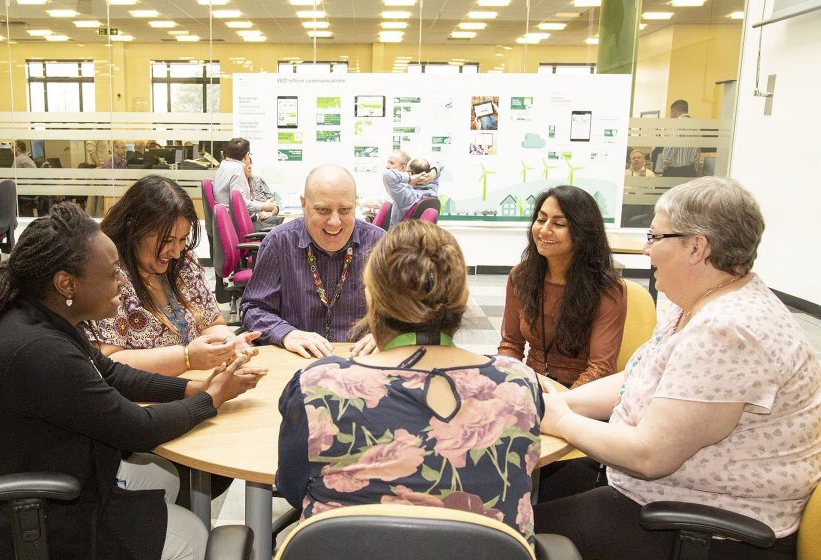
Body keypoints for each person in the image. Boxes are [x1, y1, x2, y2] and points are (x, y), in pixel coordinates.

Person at [0, 202, 267, 560]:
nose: (121, 282)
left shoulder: (39, 314)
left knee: (163, 480)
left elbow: (110, 374)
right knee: (187, 541)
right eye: (110, 274)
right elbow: (137, 430)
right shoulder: (36, 350)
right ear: (66, 282)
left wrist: (193, 390)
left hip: (5, 479)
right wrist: (214, 398)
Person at [534, 177, 821, 560]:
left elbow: (651, 457)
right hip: (678, 499)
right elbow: (638, 378)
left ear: (696, 247)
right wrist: (558, 401)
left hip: (720, 537)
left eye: (655, 236)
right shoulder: (704, 301)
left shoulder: (728, 331)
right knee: (542, 490)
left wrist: (560, 419)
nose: (646, 250)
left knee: (516, 536)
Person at [276, 220, 543, 541]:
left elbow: (292, 488)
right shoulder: (518, 383)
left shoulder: (316, 386)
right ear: (462, 298)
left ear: (372, 300)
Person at [86, 175, 258, 376]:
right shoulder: (109, 276)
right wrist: (187, 358)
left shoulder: (184, 263)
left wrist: (228, 344)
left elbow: (212, 324)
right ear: (134, 229)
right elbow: (109, 360)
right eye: (167, 240)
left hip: (197, 386)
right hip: (143, 399)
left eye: (183, 239)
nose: (176, 252)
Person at [240, 164, 384, 358]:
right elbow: (253, 308)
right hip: (298, 362)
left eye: (345, 210)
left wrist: (388, 333)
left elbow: (407, 312)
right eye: (323, 210)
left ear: (355, 204)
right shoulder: (279, 243)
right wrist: (286, 333)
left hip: (362, 361)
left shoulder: (380, 245)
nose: (335, 222)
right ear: (304, 204)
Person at [499, 185, 626, 388]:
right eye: (541, 220)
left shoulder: (607, 288)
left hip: (582, 397)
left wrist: (561, 405)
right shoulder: (521, 276)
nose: (544, 229)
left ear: (582, 233)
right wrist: (508, 385)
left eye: (559, 223)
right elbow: (511, 344)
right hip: (534, 388)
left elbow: (600, 368)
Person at [213, 137, 279, 223]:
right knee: (280, 225)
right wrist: (264, 206)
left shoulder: (223, 166)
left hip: (228, 221)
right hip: (240, 223)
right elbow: (241, 203)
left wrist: (264, 205)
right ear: (247, 155)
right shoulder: (237, 169)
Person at [382, 150, 443, 227]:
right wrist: (432, 174)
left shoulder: (407, 195)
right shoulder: (433, 188)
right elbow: (439, 161)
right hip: (420, 236)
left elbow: (387, 175)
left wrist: (410, 178)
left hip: (397, 237)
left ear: (410, 174)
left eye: (406, 172)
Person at [660, 99, 700, 177]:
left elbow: (673, 145)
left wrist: (665, 163)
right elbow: (697, 151)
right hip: (690, 170)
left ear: (674, 112)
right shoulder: (696, 127)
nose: (670, 116)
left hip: (675, 171)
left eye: (670, 113)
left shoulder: (676, 124)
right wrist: (694, 169)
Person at [244, 153, 284, 230]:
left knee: (281, 220)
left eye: (250, 164)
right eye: (246, 165)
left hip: (267, 215)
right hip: (254, 219)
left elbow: (274, 204)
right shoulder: (239, 185)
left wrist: (269, 213)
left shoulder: (258, 180)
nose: (250, 167)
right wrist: (259, 212)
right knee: (280, 230)